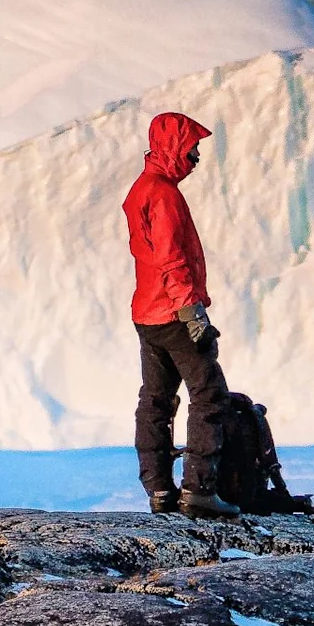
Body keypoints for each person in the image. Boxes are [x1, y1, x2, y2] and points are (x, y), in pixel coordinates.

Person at [124, 109, 233, 518]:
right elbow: (172, 259)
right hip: (172, 314)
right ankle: (200, 490)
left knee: (155, 399)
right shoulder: (165, 195)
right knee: (208, 395)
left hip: (147, 314)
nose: (195, 159)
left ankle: (158, 490)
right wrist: (193, 314)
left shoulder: (141, 189)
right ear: (173, 148)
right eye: (192, 150)